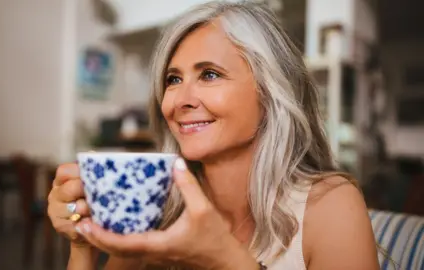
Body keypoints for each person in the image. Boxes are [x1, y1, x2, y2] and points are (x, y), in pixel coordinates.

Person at [47, 1, 380, 269]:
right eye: (173, 79)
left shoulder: (330, 206)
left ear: (270, 93)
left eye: (209, 74)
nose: (180, 100)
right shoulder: (155, 203)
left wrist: (222, 258)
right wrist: (83, 246)